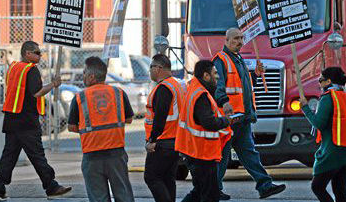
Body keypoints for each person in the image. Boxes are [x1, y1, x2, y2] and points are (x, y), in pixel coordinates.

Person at [0, 41, 72, 201]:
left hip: (11, 118)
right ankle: (52, 187)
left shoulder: (14, 67)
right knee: (37, 155)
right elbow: (37, 93)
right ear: (27, 53)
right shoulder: (31, 70)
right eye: (37, 52)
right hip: (26, 120)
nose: (40, 55)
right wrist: (53, 84)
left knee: (9, 155)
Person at [214, 28, 286, 200]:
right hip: (230, 118)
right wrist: (224, 102)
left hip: (242, 117)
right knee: (222, 156)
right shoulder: (221, 60)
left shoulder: (238, 59)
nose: (239, 41)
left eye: (241, 38)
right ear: (226, 40)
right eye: (235, 39)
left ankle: (265, 185)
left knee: (249, 154)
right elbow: (219, 85)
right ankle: (213, 189)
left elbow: (243, 86)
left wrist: (256, 75)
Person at [67, 56, 135, 202]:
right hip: (116, 154)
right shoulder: (119, 93)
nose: (83, 76)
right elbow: (129, 119)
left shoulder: (79, 97)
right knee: (124, 196)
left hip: (92, 156)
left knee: (99, 198)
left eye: (84, 73)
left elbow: (72, 127)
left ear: (91, 76)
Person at [175, 60, 234, 202]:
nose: (218, 77)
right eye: (214, 73)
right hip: (201, 153)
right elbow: (208, 122)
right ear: (206, 76)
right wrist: (226, 121)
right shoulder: (201, 95)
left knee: (200, 191)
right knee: (210, 195)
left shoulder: (195, 89)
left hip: (196, 151)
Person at [300, 67, 346, 202]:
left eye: (321, 80)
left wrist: (305, 108)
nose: (319, 84)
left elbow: (319, 123)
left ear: (328, 81)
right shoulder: (345, 97)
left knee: (317, 187)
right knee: (339, 192)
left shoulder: (328, 98)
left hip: (333, 151)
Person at [144, 54, 186, 202]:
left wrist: (152, 140)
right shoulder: (177, 84)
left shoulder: (164, 88)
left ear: (158, 68)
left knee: (151, 177)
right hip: (176, 140)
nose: (149, 71)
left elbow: (160, 117)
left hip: (163, 142)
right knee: (168, 179)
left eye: (151, 67)